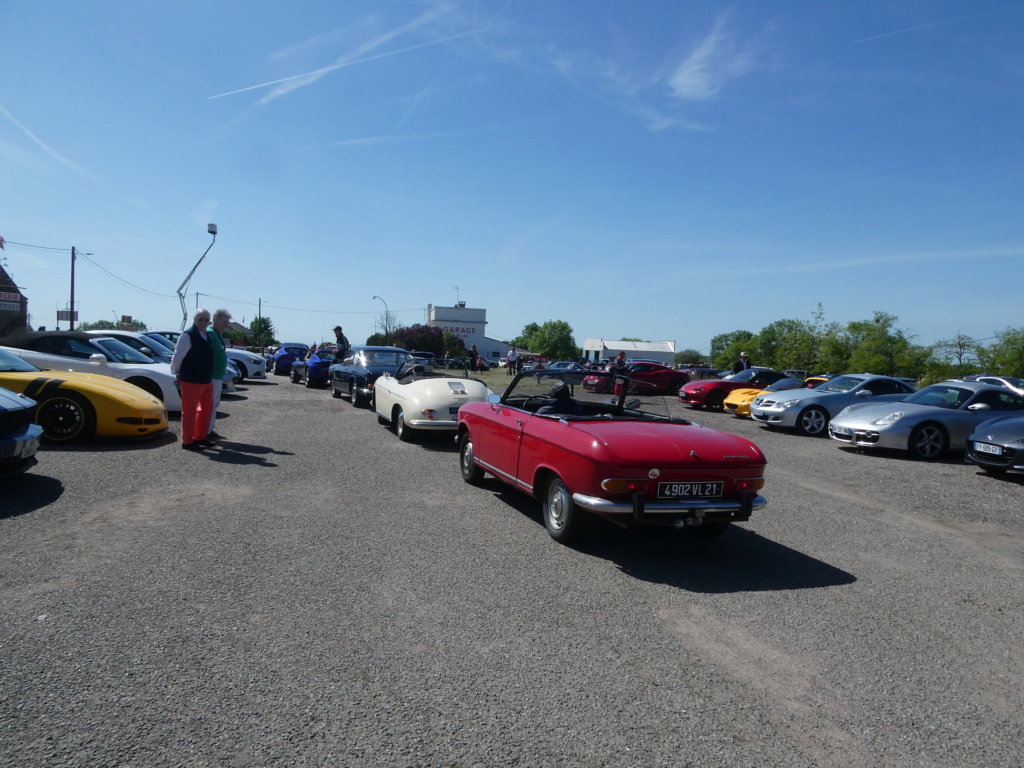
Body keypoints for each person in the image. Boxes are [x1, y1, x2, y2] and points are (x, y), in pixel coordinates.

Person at [171, 308, 215, 450]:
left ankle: (200, 437)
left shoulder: (208, 336)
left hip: (206, 379)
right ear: (194, 320)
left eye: (206, 320)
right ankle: (187, 441)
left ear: (209, 322)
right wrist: (176, 372)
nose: (203, 322)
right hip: (190, 379)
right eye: (200, 319)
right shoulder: (187, 335)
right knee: (189, 411)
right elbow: (178, 356)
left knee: (206, 410)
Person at [206, 308, 233, 441]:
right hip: (211, 375)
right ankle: (206, 431)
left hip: (217, 375)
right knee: (209, 404)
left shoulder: (218, 333)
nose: (226, 325)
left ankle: (209, 430)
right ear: (216, 319)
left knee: (214, 404)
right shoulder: (210, 333)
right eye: (224, 322)